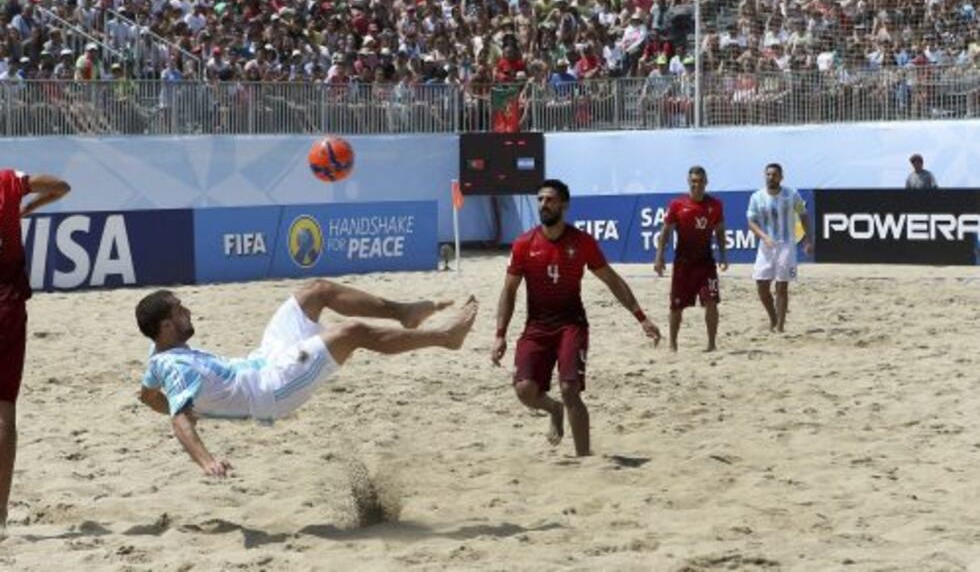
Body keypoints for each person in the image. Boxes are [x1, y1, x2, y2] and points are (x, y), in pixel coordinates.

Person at [136, 283, 478, 477]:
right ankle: (446, 337)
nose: (188, 312)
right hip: (274, 385)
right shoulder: (177, 368)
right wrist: (206, 460)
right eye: (180, 310)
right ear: (166, 326)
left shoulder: (158, 356)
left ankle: (404, 310)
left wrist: (200, 409)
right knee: (351, 331)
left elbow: (148, 396)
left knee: (317, 291)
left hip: (263, 357)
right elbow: (179, 420)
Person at [490, 179, 661, 457]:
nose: (544, 205)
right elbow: (509, 291)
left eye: (550, 200)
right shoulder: (524, 244)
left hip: (571, 324)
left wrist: (641, 317)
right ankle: (553, 409)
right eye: (541, 200)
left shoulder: (581, 242)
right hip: (537, 326)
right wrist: (500, 334)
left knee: (570, 388)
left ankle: (585, 459)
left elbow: (612, 280)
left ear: (564, 205)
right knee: (524, 390)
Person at [0, 169, 71, 530]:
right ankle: (0, 512)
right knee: (4, 411)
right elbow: (62, 187)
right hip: (6, 306)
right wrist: (28, 207)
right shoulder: (8, 181)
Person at [654, 166, 729, 352]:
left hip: (706, 263)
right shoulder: (677, 204)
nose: (697, 185)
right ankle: (672, 344)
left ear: (706, 182)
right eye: (693, 181)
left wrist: (724, 254)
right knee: (676, 306)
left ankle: (712, 344)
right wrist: (659, 256)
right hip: (683, 265)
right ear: (689, 182)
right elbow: (666, 232)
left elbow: (720, 231)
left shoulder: (715, 205)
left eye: (700, 181)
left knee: (711, 302)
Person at [746, 163, 812, 333]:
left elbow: (803, 215)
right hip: (766, 245)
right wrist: (763, 236)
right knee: (761, 284)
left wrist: (808, 239)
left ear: (781, 177)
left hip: (786, 244)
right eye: (768, 174)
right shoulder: (757, 197)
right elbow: (751, 221)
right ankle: (773, 317)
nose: (771, 177)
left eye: (774, 174)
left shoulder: (791, 194)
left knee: (782, 286)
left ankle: (780, 325)